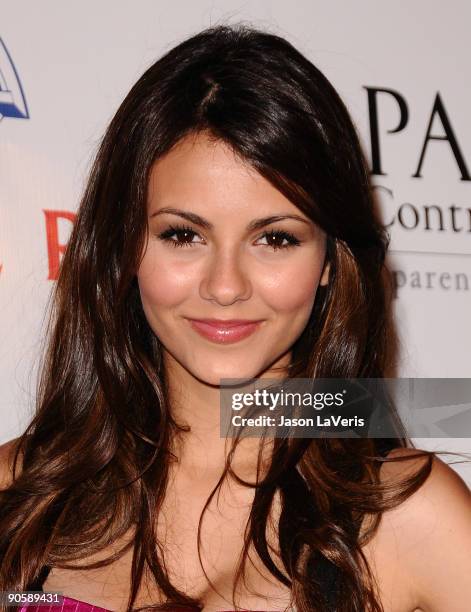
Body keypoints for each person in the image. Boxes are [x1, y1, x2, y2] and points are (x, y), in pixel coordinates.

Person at [0, 24, 470, 612]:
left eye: (274, 239)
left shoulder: (409, 517)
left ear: (330, 259)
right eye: (182, 234)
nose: (225, 286)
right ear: (124, 247)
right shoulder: (20, 493)